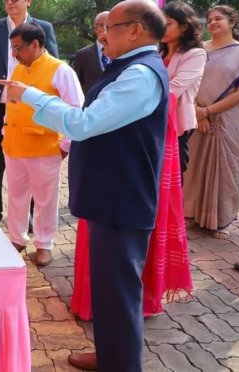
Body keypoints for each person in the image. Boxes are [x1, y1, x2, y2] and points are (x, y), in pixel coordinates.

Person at [0, 0, 169, 372]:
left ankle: (123, 363)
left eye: (112, 27)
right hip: (110, 194)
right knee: (107, 288)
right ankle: (111, 353)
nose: (103, 35)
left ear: (137, 30)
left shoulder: (140, 74)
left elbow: (83, 123)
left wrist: (29, 96)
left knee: (120, 290)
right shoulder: (127, 67)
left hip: (123, 198)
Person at [71, 92, 192, 320]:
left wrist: (35, 98)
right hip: (111, 177)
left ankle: (121, 325)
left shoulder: (144, 77)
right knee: (110, 256)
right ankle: (111, 320)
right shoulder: (132, 73)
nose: (105, 52)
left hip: (131, 181)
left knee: (122, 261)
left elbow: (86, 122)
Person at [0, 0, 59, 224]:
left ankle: (32, 216)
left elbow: (52, 65)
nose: (10, 3)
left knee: (32, 164)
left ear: (28, 0)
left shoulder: (43, 28)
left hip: (31, 108)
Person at [2, 23, 83, 266]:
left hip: (44, 148)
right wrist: (5, 131)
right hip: (14, 146)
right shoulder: (17, 69)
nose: (15, 54)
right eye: (13, 49)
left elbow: (76, 109)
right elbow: (11, 106)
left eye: (19, 48)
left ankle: (44, 244)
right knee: (16, 196)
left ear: (35, 45)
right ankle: (17, 237)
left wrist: (64, 146)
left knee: (45, 199)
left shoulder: (60, 70)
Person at [183, 5, 239, 239]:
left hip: (230, 118)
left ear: (232, 22)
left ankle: (219, 219)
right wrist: (198, 112)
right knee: (193, 165)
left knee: (226, 167)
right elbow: (190, 83)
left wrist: (208, 110)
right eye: (209, 19)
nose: (212, 23)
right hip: (196, 114)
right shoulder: (199, 50)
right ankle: (189, 212)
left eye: (218, 18)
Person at [160, 1, 207, 175]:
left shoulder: (196, 54)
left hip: (176, 123)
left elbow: (175, 88)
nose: (162, 27)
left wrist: (142, 96)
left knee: (174, 171)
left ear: (184, 26)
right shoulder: (158, 53)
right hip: (153, 121)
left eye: (168, 23)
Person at [72, 11, 109, 94]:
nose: (106, 29)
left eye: (109, 25)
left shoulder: (122, 51)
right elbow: (76, 84)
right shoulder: (82, 55)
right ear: (95, 28)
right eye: (102, 25)